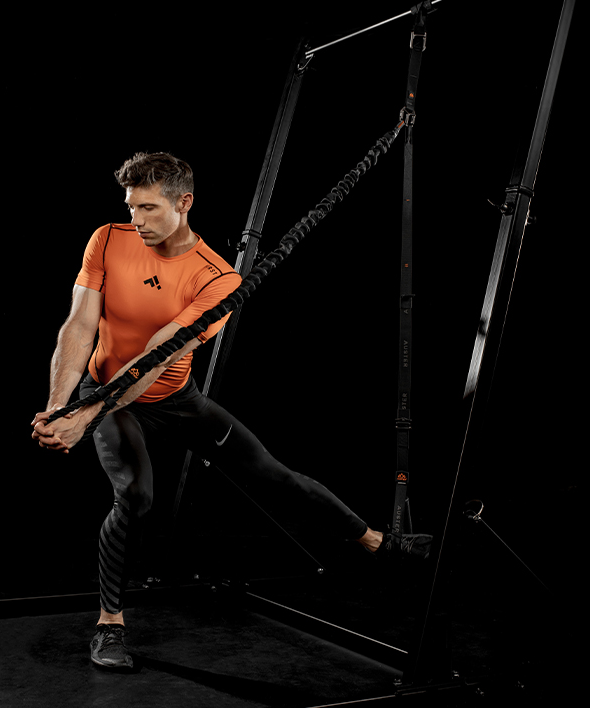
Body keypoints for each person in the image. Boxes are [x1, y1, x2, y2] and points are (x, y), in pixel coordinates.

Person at [31, 152, 432, 670]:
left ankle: (377, 542)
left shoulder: (216, 279)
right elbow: (80, 324)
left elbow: (158, 355)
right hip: (107, 393)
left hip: (172, 396)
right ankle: (111, 624)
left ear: (184, 203)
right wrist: (59, 408)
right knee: (135, 495)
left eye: (149, 208)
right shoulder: (108, 239)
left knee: (274, 476)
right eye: (131, 206)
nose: (136, 219)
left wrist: (84, 417)